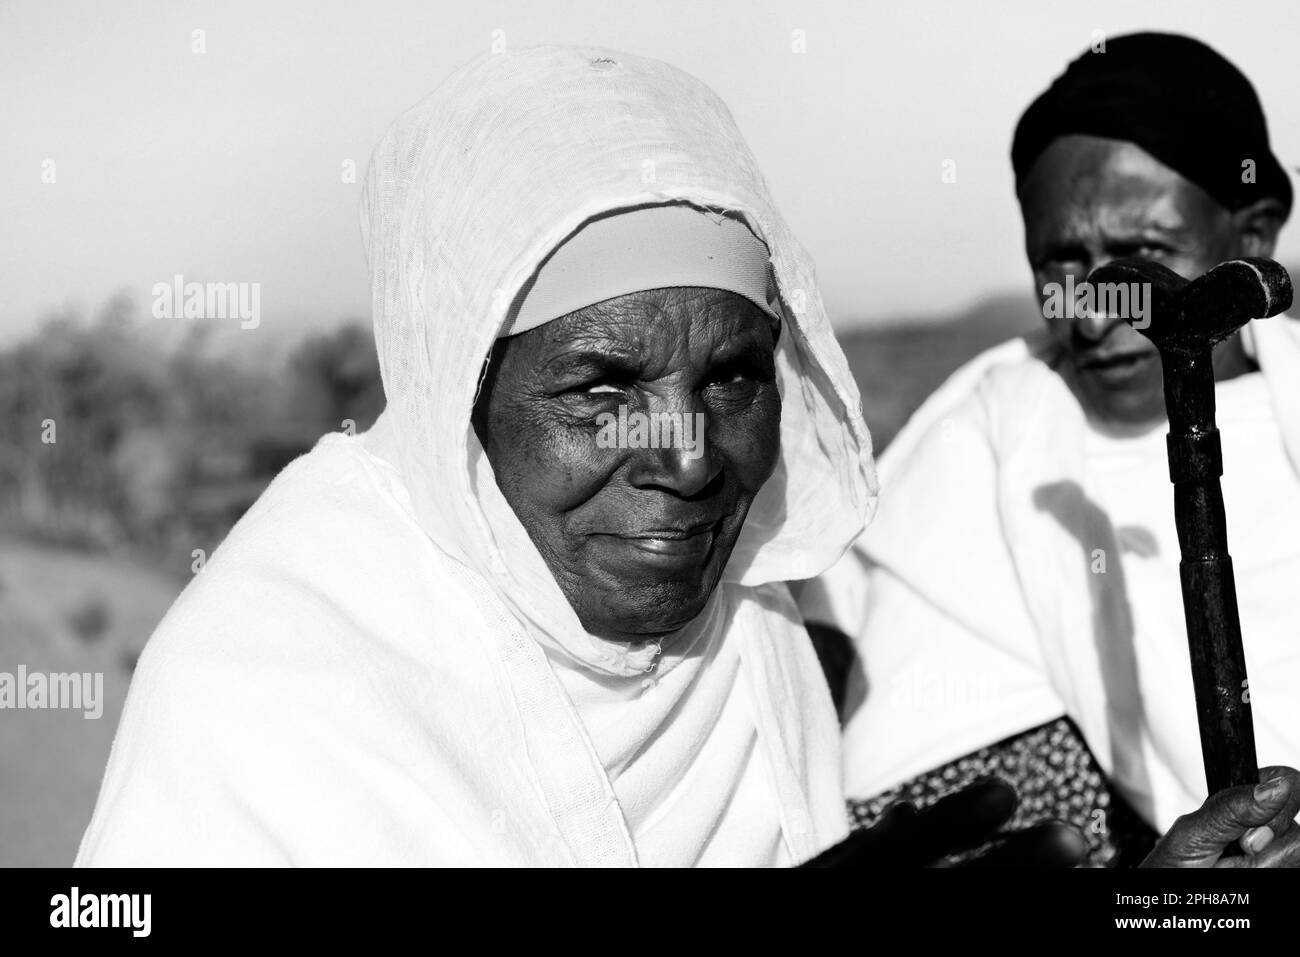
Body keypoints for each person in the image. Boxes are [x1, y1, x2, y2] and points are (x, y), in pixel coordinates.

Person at [75, 44, 1297, 867]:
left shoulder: (745, 629)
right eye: (602, 387)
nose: (693, 459)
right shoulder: (272, 700)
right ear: (463, 393)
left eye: (731, 379)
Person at [801, 32, 1300, 863]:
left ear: (1251, 236)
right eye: (1062, 268)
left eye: (1145, 260)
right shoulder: (989, 434)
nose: (1098, 313)